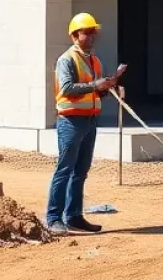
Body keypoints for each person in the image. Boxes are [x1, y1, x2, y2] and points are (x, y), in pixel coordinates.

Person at [47, 12, 125, 236]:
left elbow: (95, 91)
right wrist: (95, 85)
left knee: (80, 171)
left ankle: (73, 217)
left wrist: (110, 87)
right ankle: (53, 219)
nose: (91, 37)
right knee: (65, 169)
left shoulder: (95, 61)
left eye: (94, 33)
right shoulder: (67, 60)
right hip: (71, 121)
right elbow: (67, 88)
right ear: (75, 35)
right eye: (87, 33)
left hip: (90, 120)